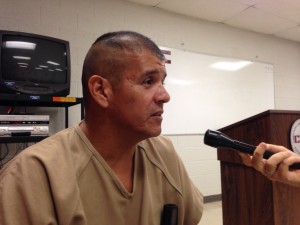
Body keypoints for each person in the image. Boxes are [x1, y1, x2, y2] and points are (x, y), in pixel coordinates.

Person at [0, 31, 203, 225]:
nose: (165, 96)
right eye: (148, 81)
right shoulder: (33, 174)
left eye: (162, 82)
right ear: (101, 91)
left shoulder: (163, 153)